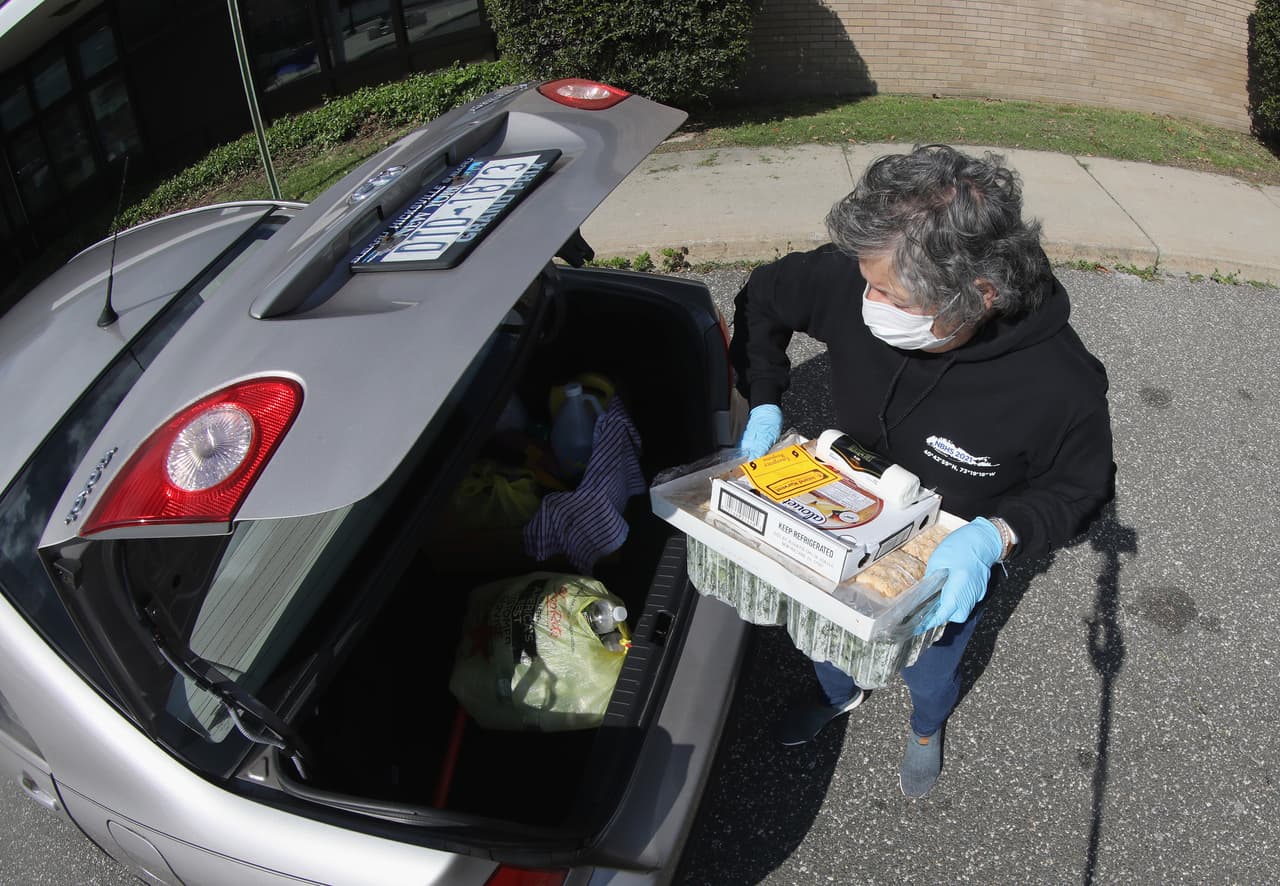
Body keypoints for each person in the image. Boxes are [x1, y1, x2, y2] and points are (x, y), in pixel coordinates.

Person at [728, 144, 1114, 798]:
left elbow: (1080, 488)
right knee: (828, 637)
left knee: (931, 668)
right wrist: (764, 398)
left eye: (889, 295)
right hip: (837, 514)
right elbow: (762, 300)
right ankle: (838, 696)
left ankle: (928, 727)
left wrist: (997, 536)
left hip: (939, 558)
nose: (867, 301)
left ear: (981, 294)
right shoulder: (855, 278)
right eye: (866, 281)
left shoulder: (1059, 384)